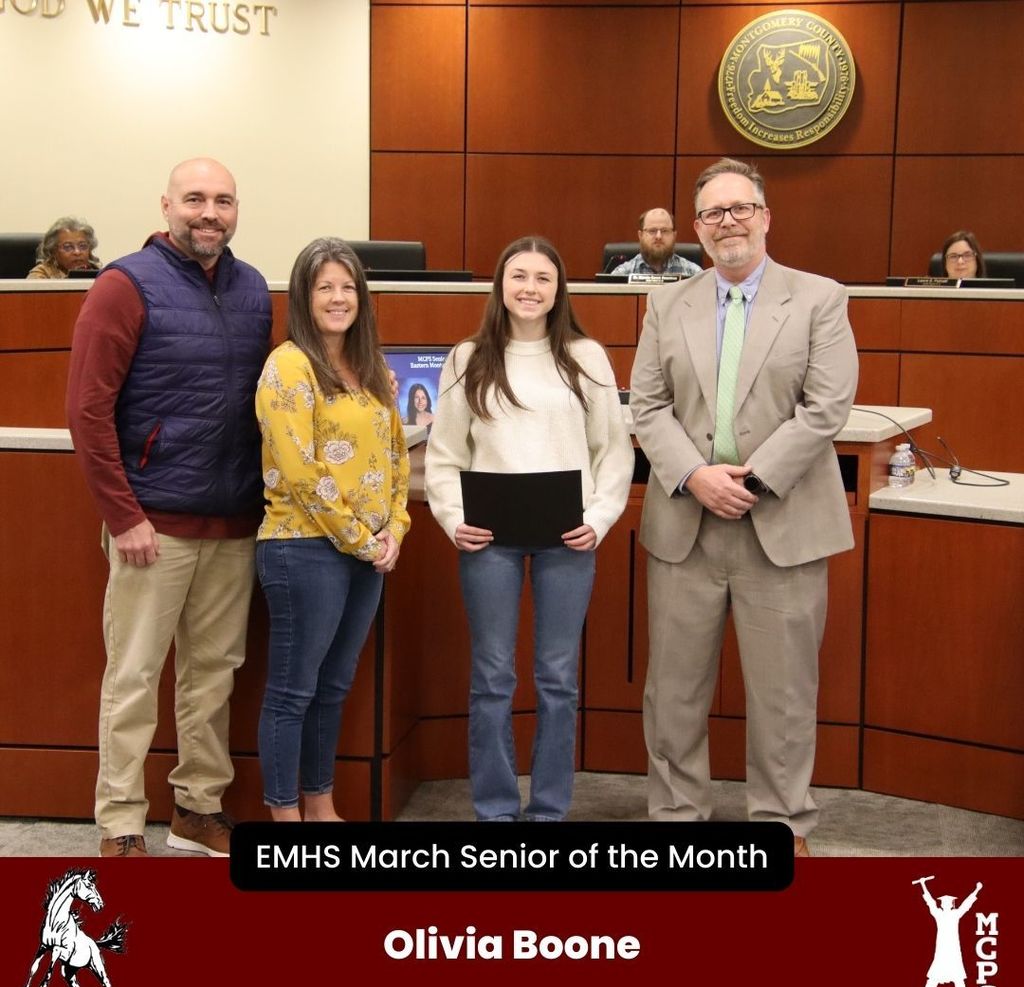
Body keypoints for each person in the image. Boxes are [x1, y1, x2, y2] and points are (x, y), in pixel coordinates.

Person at [630, 158, 858, 856]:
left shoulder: (820, 298)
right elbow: (647, 404)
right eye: (714, 212)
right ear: (697, 228)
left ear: (765, 216)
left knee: (784, 698)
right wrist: (697, 476)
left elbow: (826, 410)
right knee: (672, 694)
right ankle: (675, 821)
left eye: (741, 208)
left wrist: (748, 483)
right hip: (685, 527)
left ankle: (782, 827)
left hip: (781, 529)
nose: (728, 221)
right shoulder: (668, 303)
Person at [65, 157, 272, 857]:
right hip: (151, 525)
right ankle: (121, 819)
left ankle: (197, 806)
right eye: (194, 199)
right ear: (166, 206)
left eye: (222, 200)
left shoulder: (252, 291)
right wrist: (124, 515)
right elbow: (87, 412)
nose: (208, 212)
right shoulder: (124, 285)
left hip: (234, 522)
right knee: (134, 676)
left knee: (214, 676)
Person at [426, 236, 633, 822]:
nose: (530, 288)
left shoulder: (586, 356)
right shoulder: (469, 357)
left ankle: (547, 813)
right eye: (519, 275)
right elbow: (445, 454)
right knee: (493, 677)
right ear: (500, 285)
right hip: (488, 538)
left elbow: (612, 450)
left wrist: (600, 519)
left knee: (557, 678)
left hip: (569, 537)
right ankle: (494, 811)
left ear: (559, 289)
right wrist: (452, 518)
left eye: (543, 277)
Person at [255, 238, 410, 821]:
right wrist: (361, 537)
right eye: (326, 287)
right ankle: (284, 816)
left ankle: (320, 804)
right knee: (294, 691)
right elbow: (300, 470)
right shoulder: (289, 365)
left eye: (348, 287)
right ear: (304, 295)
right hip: (303, 546)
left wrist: (394, 528)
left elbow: (395, 458)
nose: (339, 298)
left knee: (333, 687)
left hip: (366, 553)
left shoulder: (370, 368)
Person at [916, 879, 983, 987]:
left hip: (953, 951)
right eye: (944, 902)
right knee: (934, 978)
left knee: (958, 978)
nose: (947, 904)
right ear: (941, 904)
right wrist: (923, 885)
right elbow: (930, 902)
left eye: (949, 902)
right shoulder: (938, 914)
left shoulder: (956, 914)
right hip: (941, 951)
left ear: (952, 904)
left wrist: (976, 890)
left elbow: (966, 904)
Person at [611, 208, 702, 278]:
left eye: (665, 231)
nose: (658, 236)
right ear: (640, 235)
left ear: (674, 235)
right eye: (652, 231)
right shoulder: (622, 274)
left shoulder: (694, 274)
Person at [27, 216, 102, 279]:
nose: (77, 252)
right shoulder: (40, 274)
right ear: (53, 251)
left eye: (83, 246)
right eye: (68, 247)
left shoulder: (97, 271)